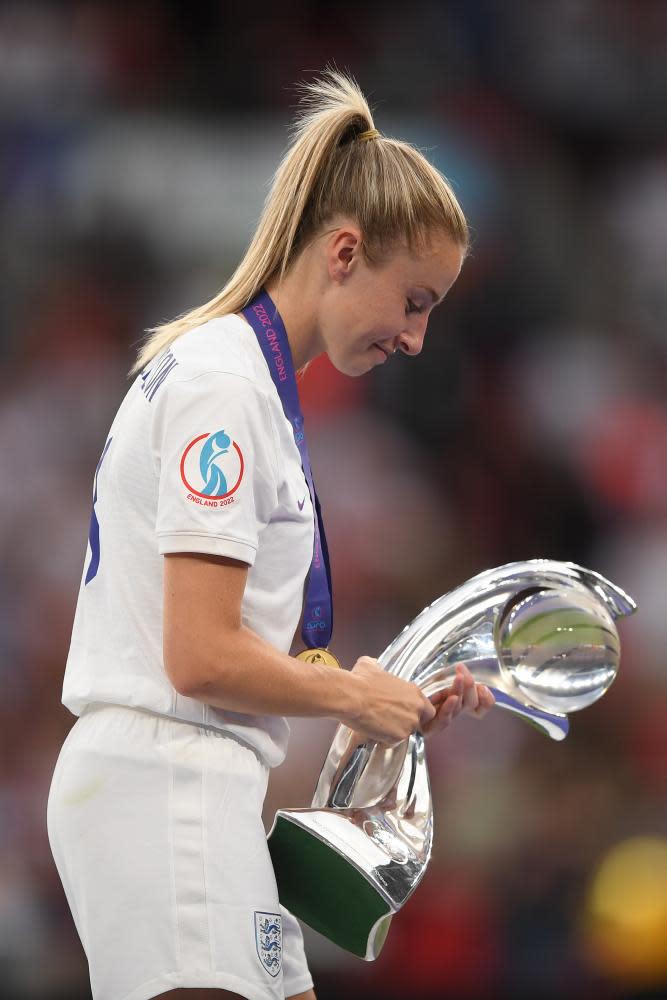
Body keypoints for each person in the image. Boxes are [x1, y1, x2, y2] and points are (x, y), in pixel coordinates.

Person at [46, 70, 495, 1000]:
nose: (416, 338)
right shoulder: (225, 386)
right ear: (341, 253)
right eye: (414, 301)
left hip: (195, 787)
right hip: (161, 781)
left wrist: (386, 698)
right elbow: (200, 658)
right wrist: (350, 701)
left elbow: (242, 657)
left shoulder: (248, 387)